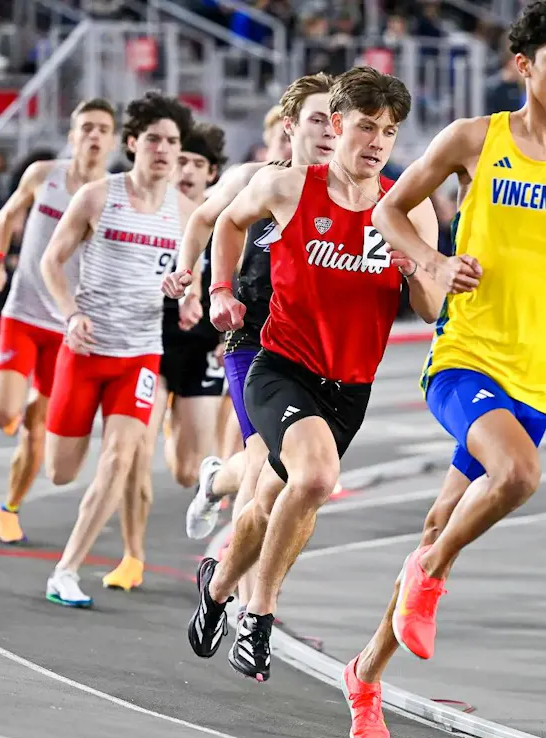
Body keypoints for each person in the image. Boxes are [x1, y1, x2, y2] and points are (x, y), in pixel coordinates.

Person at [340, 2, 546, 738]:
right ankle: (432, 576)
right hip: (465, 359)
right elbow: (389, 211)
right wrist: (434, 262)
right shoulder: (475, 140)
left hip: (537, 380)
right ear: (524, 66)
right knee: (518, 477)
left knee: (436, 523)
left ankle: (365, 675)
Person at [185, 66, 443, 685]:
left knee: (275, 499)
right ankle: (259, 613)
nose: (378, 141)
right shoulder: (291, 186)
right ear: (337, 124)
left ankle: (217, 589)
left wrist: (415, 271)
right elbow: (224, 222)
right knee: (318, 476)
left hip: (349, 386)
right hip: (280, 366)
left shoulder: (409, 208)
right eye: (365, 127)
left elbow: (432, 310)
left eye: (390, 131)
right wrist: (220, 289)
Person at [161, 73, 337, 615]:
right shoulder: (253, 179)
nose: (324, 134)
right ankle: (245, 600)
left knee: (272, 470)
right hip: (249, 340)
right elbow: (202, 220)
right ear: (286, 129)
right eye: (312, 122)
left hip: (308, 352)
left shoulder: (343, 192)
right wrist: (192, 277)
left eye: (335, 122)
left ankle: (216, 480)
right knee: (266, 462)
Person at [37, 91, 196, 608]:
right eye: (153, 139)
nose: (164, 150)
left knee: (121, 459)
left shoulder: (189, 212)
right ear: (133, 144)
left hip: (141, 355)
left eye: (173, 142)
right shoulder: (98, 197)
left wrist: (187, 295)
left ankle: (66, 570)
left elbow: (192, 278)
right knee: (60, 471)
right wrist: (70, 314)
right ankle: (44, 422)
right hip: (85, 351)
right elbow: (51, 262)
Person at [0, 98, 117, 544]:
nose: (93, 136)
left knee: (37, 433)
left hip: (70, 325)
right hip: (25, 311)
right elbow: (7, 215)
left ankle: (9, 508)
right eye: (86, 127)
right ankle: (18, 405)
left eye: (102, 129)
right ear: (72, 135)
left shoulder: (114, 195)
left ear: (112, 142)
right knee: (2, 414)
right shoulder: (43, 175)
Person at [104, 122, 229, 592]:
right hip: (150, 344)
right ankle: (132, 555)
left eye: (198, 164)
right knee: (134, 451)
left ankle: (186, 442)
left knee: (185, 471)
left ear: (212, 173)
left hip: (199, 349)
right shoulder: (151, 213)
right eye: (181, 161)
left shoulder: (226, 217)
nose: (187, 171)